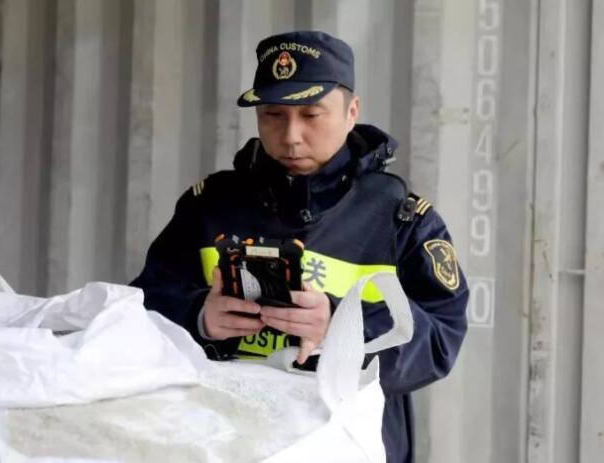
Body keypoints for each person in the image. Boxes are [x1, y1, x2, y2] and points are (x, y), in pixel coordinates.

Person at [130, 30, 469, 463]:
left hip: (344, 448)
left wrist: (342, 329)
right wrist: (198, 317)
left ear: (351, 112)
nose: (291, 136)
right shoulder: (209, 205)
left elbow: (441, 342)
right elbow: (140, 309)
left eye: (311, 115)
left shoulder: (401, 220)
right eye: (273, 115)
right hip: (221, 444)